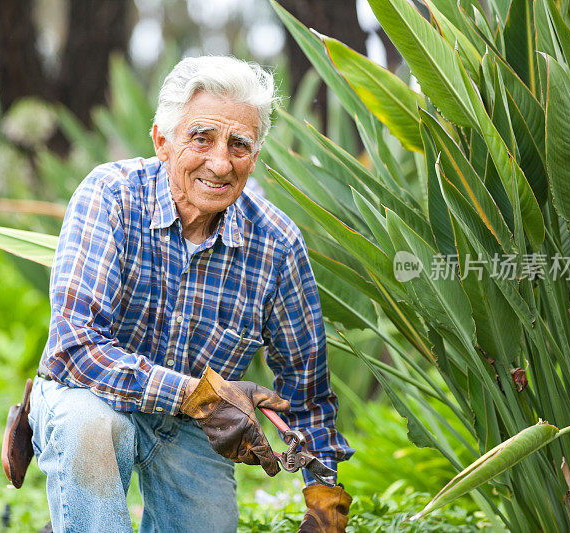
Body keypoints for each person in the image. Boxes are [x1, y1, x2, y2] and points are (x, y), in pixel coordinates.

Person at [28, 55, 354, 533]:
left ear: (254, 156)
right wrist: (197, 393)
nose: (220, 163)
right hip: (92, 399)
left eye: (239, 145)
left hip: (193, 429)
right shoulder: (110, 197)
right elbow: (76, 348)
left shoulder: (277, 247)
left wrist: (324, 495)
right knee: (91, 429)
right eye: (201, 138)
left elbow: (306, 388)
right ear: (163, 141)